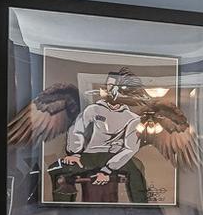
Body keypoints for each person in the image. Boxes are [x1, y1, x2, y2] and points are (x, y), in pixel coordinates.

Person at [52, 71, 150, 203]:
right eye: (108, 85)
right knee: (56, 170)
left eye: (113, 86)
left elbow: (130, 148)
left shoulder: (133, 118)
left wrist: (107, 170)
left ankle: (142, 211)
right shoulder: (93, 109)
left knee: (136, 172)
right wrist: (74, 153)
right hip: (89, 155)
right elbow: (77, 130)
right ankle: (63, 211)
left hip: (114, 156)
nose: (109, 89)